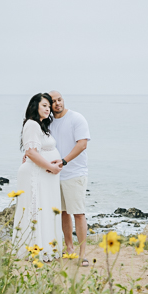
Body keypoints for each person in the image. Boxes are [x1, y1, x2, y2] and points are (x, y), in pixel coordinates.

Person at [13, 93, 63, 261]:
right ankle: (35, 249)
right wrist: (51, 167)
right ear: (35, 106)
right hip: (36, 174)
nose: (48, 108)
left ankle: (46, 246)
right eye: (44, 105)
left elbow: (35, 150)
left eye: (49, 106)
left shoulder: (41, 126)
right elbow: (31, 152)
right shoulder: (32, 124)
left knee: (45, 207)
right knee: (37, 207)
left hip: (44, 174)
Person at [49, 90, 91, 265]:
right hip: (55, 175)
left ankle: (83, 254)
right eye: (53, 101)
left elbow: (82, 144)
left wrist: (64, 161)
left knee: (78, 213)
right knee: (63, 213)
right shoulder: (48, 123)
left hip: (74, 173)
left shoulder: (76, 118)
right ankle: (69, 248)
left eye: (60, 99)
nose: (58, 103)